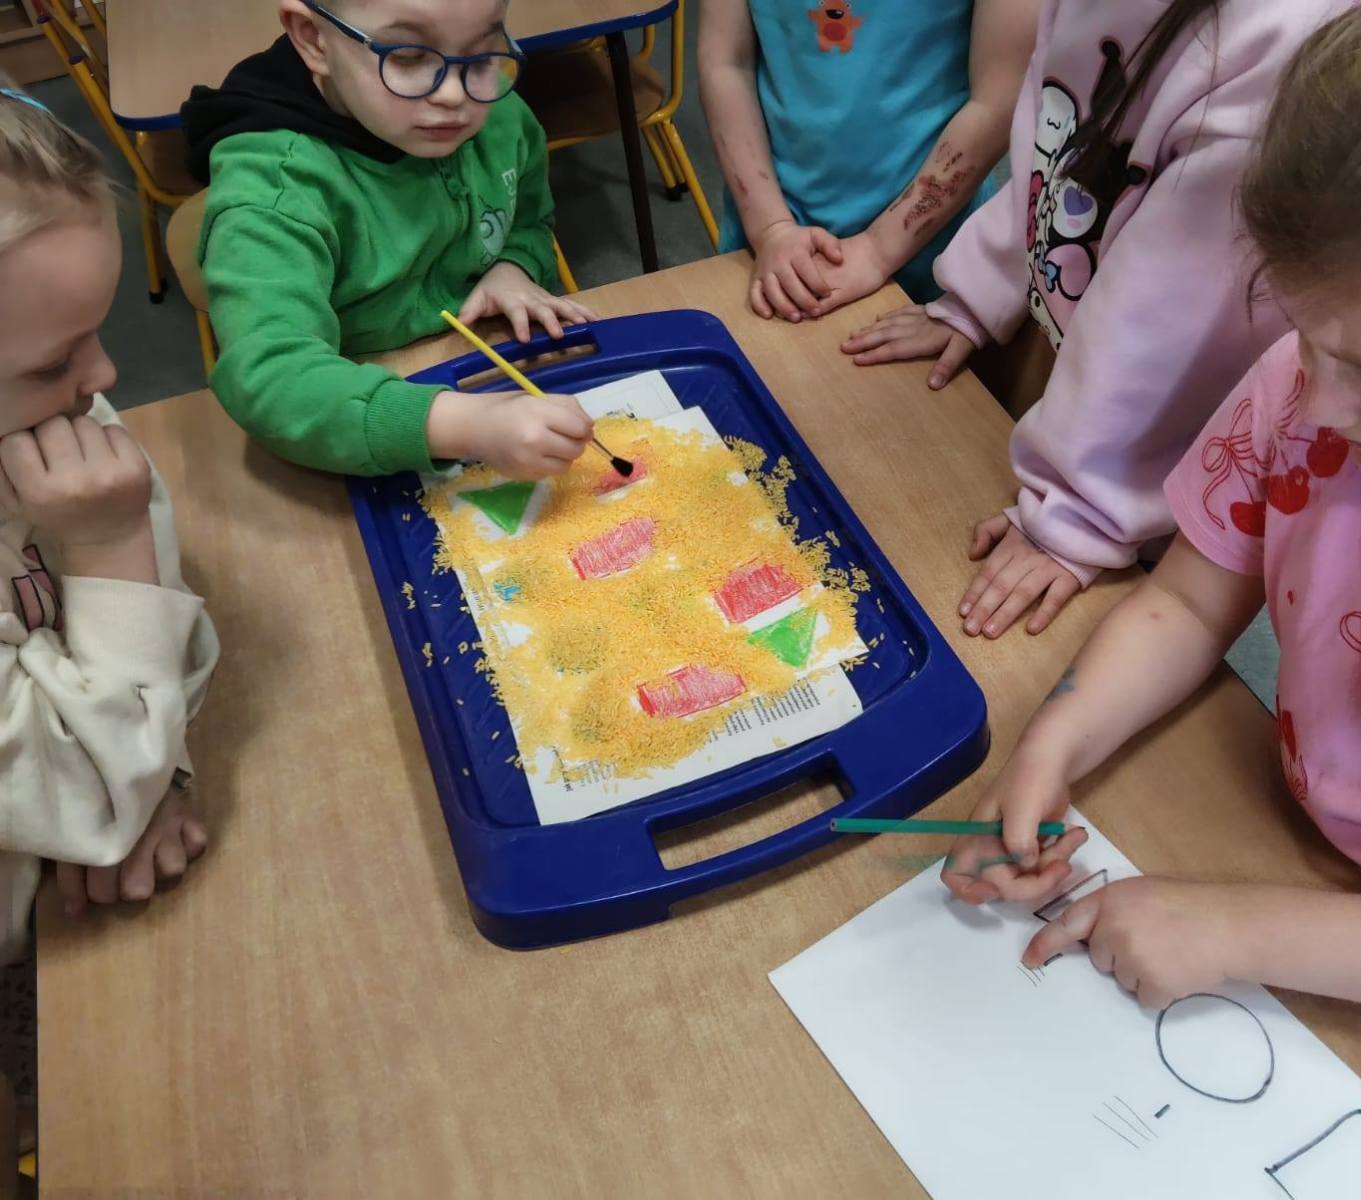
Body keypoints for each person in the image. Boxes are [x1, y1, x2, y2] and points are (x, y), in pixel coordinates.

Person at [943, 0, 1361, 1077]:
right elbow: (1184, 604)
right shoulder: (1313, 386)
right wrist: (1054, 745)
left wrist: (1234, 931)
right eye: (1300, 328)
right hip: (1309, 865)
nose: (1319, 405)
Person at [844, 0, 1353, 638]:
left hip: (1152, 437)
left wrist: (1081, 515)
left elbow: (1177, 316)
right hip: (1082, 369)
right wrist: (982, 290)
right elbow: (1055, 138)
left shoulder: (1278, 47)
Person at [183, 0, 597, 480]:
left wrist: (515, 265)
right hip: (356, 424)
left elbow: (528, 216)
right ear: (313, 38)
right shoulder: (274, 193)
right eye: (407, 57)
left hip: (488, 376)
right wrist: (465, 426)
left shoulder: (498, 113)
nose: (453, 94)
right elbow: (273, 379)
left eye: (482, 55)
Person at [0, 82, 219, 952]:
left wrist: (151, 780)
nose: (104, 377)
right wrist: (110, 544)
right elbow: (92, 799)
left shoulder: (53, 415)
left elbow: (179, 639)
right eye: (54, 361)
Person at [699, 0, 1037, 321]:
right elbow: (725, 64)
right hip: (766, 229)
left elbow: (998, 100)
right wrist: (771, 227)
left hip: (931, 250)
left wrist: (879, 249)